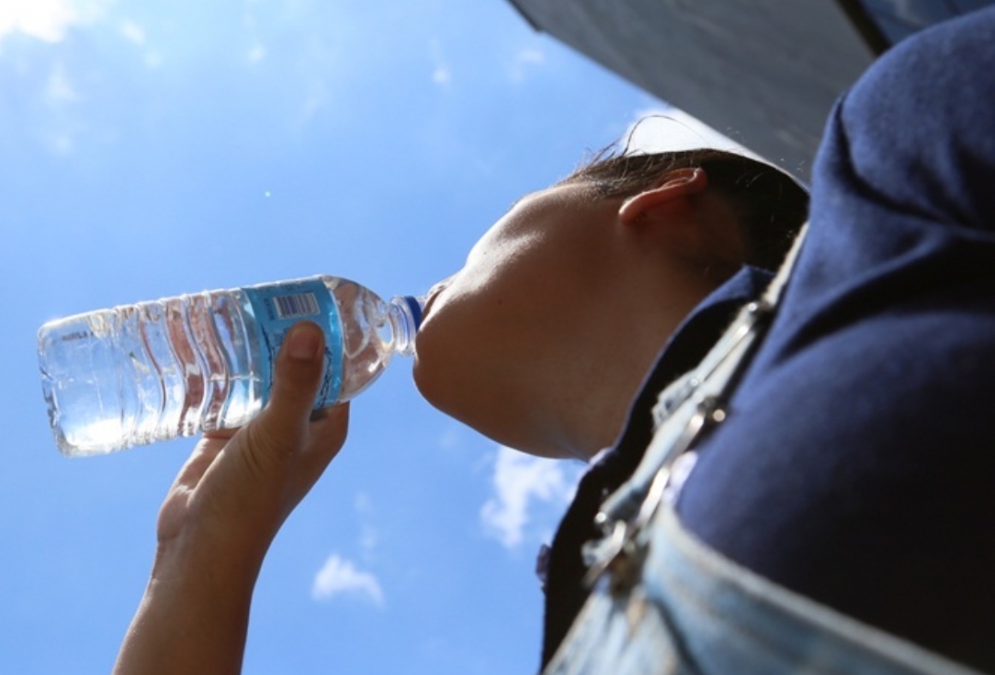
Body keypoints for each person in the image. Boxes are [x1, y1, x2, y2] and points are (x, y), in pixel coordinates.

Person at [112, 7, 995, 674]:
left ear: (659, 202)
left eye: (471, 248)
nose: (441, 276)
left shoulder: (887, 207)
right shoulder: (573, 636)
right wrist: (198, 559)